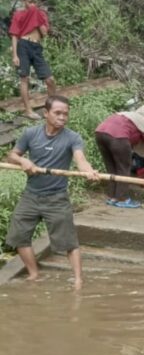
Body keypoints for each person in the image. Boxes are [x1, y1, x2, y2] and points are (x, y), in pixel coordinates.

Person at [6, 96, 99, 289]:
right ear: (46, 114)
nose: (62, 117)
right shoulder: (30, 134)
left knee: (68, 241)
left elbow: (80, 159)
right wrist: (23, 161)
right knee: (18, 235)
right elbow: (13, 154)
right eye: (58, 113)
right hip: (30, 195)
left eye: (65, 113)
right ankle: (34, 274)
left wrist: (88, 170)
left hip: (57, 198)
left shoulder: (72, 137)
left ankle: (78, 281)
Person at [94, 105, 144, 209]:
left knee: (111, 168)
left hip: (100, 133)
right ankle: (122, 199)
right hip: (118, 137)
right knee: (123, 168)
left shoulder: (127, 115)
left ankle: (112, 197)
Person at [9, 0, 55, 120]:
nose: (32, 5)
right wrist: (15, 55)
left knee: (50, 79)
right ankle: (28, 110)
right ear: (24, 1)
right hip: (23, 45)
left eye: (34, 2)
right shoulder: (19, 14)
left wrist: (39, 21)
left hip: (36, 47)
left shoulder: (40, 14)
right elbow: (14, 35)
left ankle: (52, 106)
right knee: (24, 79)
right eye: (29, 2)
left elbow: (45, 33)